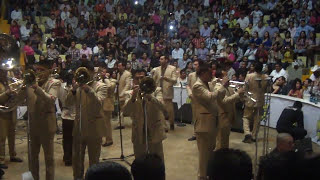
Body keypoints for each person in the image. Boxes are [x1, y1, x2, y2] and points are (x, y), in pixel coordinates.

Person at [12, 61, 61, 180]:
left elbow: (50, 100)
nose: (38, 72)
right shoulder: (30, 83)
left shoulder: (54, 83)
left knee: (48, 157)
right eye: (36, 70)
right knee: (32, 156)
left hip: (47, 124)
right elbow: (18, 100)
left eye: (40, 70)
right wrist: (22, 89)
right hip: (32, 125)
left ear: (48, 71)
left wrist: (37, 88)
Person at [65, 65, 108, 180]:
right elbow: (68, 103)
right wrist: (73, 90)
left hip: (94, 128)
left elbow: (98, 104)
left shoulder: (101, 86)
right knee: (77, 159)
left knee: (94, 160)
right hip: (79, 127)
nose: (84, 76)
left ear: (93, 73)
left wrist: (88, 89)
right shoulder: (77, 88)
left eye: (87, 72)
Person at [192, 62, 227, 180]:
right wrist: (221, 86)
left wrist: (222, 87)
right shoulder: (198, 85)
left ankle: (207, 174)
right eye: (209, 73)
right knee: (203, 154)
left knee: (210, 151)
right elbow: (210, 97)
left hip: (212, 123)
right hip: (203, 125)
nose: (212, 76)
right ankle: (201, 176)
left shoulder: (207, 83)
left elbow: (218, 97)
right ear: (202, 73)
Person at [123, 68, 167, 161]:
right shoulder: (129, 94)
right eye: (137, 78)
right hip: (138, 131)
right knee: (140, 160)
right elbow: (125, 112)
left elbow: (163, 107)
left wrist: (150, 96)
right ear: (133, 80)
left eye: (142, 78)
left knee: (158, 160)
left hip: (155, 130)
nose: (139, 81)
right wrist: (133, 97)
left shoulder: (156, 90)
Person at [215, 69, 245, 149]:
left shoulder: (229, 87)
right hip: (222, 116)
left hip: (229, 115)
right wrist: (238, 94)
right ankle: (219, 156)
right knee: (221, 139)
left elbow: (235, 98)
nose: (228, 78)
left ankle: (224, 155)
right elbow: (224, 101)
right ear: (220, 77)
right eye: (225, 76)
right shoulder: (217, 87)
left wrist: (241, 94)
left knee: (225, 139)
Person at [0, 70, 23, 169]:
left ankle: (12, 155)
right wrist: (7, 93)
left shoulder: (9, 83)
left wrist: (16, 92)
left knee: (12, 134)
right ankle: (1, 159)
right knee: (2, 137)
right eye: (2, 73)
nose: (5, 75)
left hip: (11, 112)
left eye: (5, 73)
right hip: (2, 114)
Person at [242, 62, 269, 143]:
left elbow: (245, 88)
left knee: (246, 117)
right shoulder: (266, 77)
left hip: (250, 98)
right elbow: (267, 89)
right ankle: (254, 136)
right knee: (257, 118)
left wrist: (244, 97)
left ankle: (247, 133)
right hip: (260, 99)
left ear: (254, 68)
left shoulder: (249, 76)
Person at [152, 55, 177, 131]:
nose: (160, 60)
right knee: (159, 109)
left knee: (169, 110)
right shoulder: (157, 69)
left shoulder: (172, 68)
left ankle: (171, 122)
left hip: (167, 90)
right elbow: (154, 80)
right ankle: (164, 126)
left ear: (166, 60)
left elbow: (174, 80)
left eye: (162, 59)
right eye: (160, 59)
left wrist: (166, 78)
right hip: (158, 91)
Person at [58, 80, 75, 166]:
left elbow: (60, 101)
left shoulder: (60, 86)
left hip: (65, 113)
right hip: (73, 114)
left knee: (66, 137)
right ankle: (70, 157)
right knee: (72, 137)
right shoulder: (74, 88)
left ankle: (66, 156)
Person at [101, 68, 117, 147]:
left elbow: (110, 87)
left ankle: (109, 139)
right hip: (100, 103)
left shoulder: (113, 81)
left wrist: (106, 79)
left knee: (107, 123)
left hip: (107, 104)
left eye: (104, 71)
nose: (102, 73)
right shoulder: (100, 80)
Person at [115, 61, 132, 130]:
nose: (118, 67)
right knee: (120, 109)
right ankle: (120, 124)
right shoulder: (118, 74)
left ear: (123, 67)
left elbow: (128, 85)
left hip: (125, 94)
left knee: (129, 109)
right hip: (119, 94)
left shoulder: (128, 74)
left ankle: (136, 121)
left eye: (120, 66)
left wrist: (122, 93)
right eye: (118, 66)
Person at [186, 60, 200, 141]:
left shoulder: (203, 74)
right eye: (194, 64)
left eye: (196, 64)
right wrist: (190, 94)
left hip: (203, 98)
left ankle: (202, 132)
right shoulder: (191, 75)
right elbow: (187, 85)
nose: (195, 66)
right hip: (193, 98)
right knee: (195, 116)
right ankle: (195, 133)